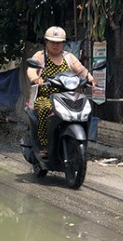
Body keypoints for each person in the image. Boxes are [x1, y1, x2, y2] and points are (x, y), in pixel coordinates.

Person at [27, 26, 97, 158]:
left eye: (59, 42)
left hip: (67, 97)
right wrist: (35, 78)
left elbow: (82, 71)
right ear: (46, 42)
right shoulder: (40, 56)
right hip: (46, 96)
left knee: (83, 110)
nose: (55, 45)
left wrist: (90, 79)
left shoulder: (69, 57)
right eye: (52, 42)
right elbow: (31, 69)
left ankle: (77, 141)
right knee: (44, 109)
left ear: (63, 44)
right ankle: (44, 146)